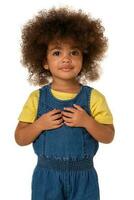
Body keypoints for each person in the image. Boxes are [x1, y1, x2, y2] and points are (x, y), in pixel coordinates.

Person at [15, 7, 115, 200]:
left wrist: (87, 122)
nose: (66, 58)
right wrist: (39, 125)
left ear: (84, 58)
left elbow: (108, 135)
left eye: (74, 52)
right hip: (47, 178)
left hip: (84, 178)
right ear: (44, 61)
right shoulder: (36, 99)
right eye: (57, 52)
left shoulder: (94, 98)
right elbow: (20, 138)